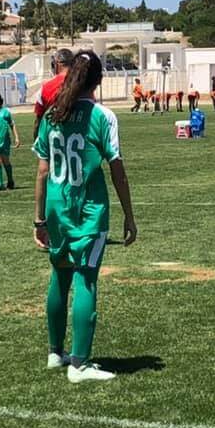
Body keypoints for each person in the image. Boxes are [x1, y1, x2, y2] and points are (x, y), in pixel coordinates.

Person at [32, 51, 137, 383]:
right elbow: (117, 170)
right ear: (99, 80)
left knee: (59, 275)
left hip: (56, 208)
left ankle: (55, 352)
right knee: (85, 279)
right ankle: (79, 364)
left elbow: (42, 171)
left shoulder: (53, 114)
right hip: (88, 210)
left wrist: (39, 220)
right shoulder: (102, 116)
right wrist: (129, 216)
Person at [33, 48, 73, 141]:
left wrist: (36, 142)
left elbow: (38, 122)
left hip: (55, 141)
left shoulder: (46, 87)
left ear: (57, 64)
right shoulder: (84, 86)